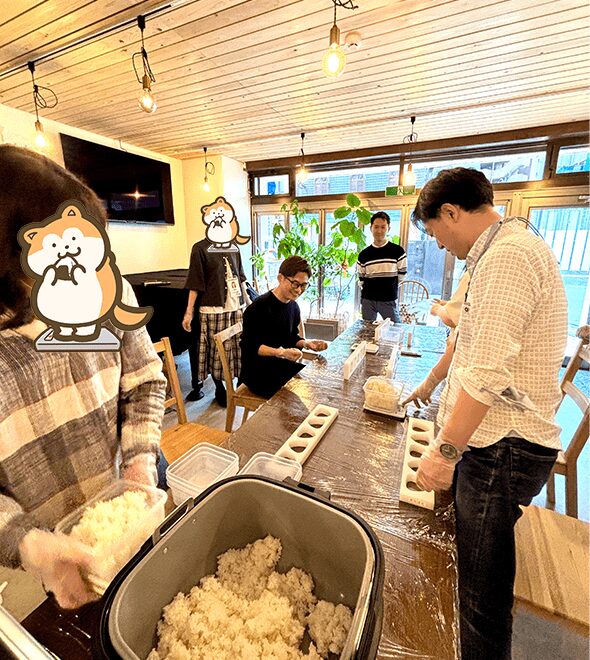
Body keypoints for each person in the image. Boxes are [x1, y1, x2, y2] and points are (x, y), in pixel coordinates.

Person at [409, 167, 567, 659]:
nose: (439, 245)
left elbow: (487, 374)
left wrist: (444, 452)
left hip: (503, 447)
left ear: (451, 212)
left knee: (481, 593)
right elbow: (467, 345)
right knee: (473, 569)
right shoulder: (500, 250)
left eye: (435, 232)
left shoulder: (508, 257)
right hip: (500, 442)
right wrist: (430, 386)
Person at [0, 145, 166, 609]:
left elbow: (145, 382)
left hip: (125, 511)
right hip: (52, 555)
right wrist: (25, 541)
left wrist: (139, 461)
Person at [240, 256, 328, 398]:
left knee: (318, 384)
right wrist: (280, 352)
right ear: (280, 278)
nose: (299, 290)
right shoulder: (258, 308)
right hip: (257, 373)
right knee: (301, 396)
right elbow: (250, 347)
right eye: (295, 284)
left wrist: (307, 344)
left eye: (304, 285)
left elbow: (291, 338)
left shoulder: (293, 306)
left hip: (281, 365)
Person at [182, 241, 248, 407]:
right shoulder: (200, 248)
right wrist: (189, 312)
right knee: (216, 352)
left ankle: (239, 387)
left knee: (238, 349)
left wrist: (248, 302)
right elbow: (195, 283)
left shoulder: (234, 246)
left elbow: (240, 277)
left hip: (236, 308)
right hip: (213, 309)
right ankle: (219, 388)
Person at [357, 211, 407, 323]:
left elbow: (402, 276)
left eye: (383, 227)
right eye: (376, 227)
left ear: (388, 228)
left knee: (395, 327)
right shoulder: (363, 254)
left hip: (388, 299)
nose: (379, 231)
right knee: (367, 329)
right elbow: (361, 279)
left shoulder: (398, 251)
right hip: (368, 300)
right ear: (371, 228)